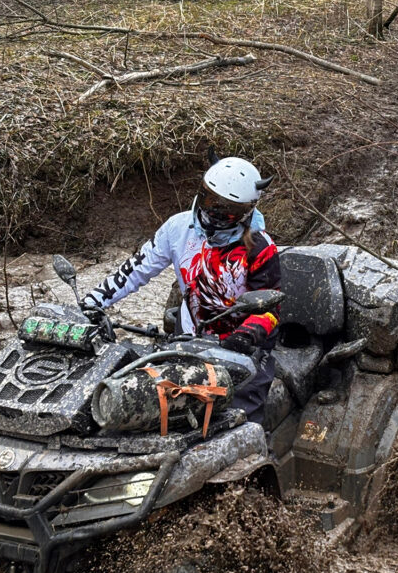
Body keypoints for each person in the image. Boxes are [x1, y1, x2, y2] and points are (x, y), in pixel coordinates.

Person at [81, 155, 281, 424]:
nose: (214, 212)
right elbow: (133, 271)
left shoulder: (260, 247)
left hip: (245, 348)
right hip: (187, 338)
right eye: (210, 201)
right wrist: (92, 303)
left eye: (227, 210)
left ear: (246, 212)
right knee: (154, 410)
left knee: (243, 423)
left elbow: (270, 310)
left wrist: (245, 336)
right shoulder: (178, 228)